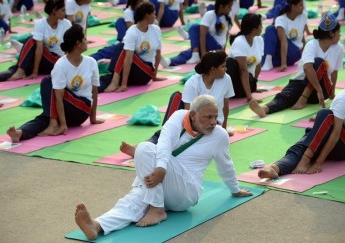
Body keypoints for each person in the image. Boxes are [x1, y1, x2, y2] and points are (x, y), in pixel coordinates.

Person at [74, 94, 252, 240]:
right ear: (193, 115)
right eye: (208, 117)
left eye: (215, 116)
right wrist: (160, 169)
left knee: (144, 149)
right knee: (133, 201)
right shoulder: (178, 117)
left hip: (186, 192)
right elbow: (165, 142)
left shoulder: (219, 135)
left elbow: (225, 165)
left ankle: (157, 208)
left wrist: (235, 189)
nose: (214, 122)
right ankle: (96, 225)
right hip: (161, 184)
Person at [121, 50, 235, 157]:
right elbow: (188, 112)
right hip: (193, 119)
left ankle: (143, 150)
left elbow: (225, 107)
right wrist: (189, 129)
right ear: (213, 69)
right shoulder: (193, 82)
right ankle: (141, 148)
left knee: (187, 142)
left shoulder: (226, 79)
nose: (226, 69)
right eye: (223, 67)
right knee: (172, 131)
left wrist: (223, 131)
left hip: (212, 122)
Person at [6, 24, 104, 142]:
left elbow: (94, 91)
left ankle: (54, 122)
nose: (86, 41)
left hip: (81, 110)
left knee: (48, 82)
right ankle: (20, 133)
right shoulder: (61, 64)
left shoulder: (91, 62)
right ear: (78, 43)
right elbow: (58, 97)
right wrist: (61, 123)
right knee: (45, 117)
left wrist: (92, 117)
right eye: (84, 39)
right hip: (66, 108)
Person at [250, 12, 343, 118]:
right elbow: (307, 68)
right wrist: (318, 90)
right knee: (287, 95)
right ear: (331, 34)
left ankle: (303, 98)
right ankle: (264, 109)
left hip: (322, 90)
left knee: (318, 62)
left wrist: (332, 92)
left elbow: (335, 72)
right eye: (338, 33)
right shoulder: (312, 45)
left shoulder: (338, 48)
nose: (340, 35)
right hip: (306, 84)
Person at [258, 85, 345, 178]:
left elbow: (335, 134)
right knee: (304, 145)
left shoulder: (343, 100)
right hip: (332, 140)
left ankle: (306, 158)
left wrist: (318, 163)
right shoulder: (344, 99)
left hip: (343, 147)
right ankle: (276, 168)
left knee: (325, 115)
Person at [0, 0, 71, 82]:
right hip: (43, 61)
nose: (65, 13)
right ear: (54, 11)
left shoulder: (66, 24)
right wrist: (34, 70)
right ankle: (20, 70)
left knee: (32, 40)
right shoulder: (40, 23)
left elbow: (70, 47)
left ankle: (20, 71)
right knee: (16, 69)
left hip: (56, 61)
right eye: (63, 10)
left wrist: (35, 72)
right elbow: (39, 49)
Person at [98, 2, 162, 93]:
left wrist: (154, 74)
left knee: (122, 47)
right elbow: (128, 60)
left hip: (146, 72)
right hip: (134, 72)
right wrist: (123, 83)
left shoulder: (156, 29)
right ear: (147, 15)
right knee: (106, 79)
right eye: (154, 14)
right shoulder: (133, 31)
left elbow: (158, 54)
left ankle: (115, 81)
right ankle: (92, 88)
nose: (155, 16)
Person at [161, 0, 233, 67]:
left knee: (194, 27)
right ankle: (170, 61)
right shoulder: (209, 15)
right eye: (229, 7)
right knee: (189, 52)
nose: (230, 9)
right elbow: (202, 35)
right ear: (221, 7)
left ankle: (193, 48)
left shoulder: (229, 16)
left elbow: (225, 34)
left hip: (216, 46)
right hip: (209, 44)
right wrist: (203, 53)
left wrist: (222, 51)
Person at [261, 0, 307, 72]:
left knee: (270, 29)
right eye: (301, 5)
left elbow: (300, 36)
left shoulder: (303, 15)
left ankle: (268, 59)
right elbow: (283, 42)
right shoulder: (281, 19)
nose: (303, 7)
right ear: (293, 7)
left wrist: (284, 64)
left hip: (294, 52)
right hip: (285, 53)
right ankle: (268, 60)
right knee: (259, 60)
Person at [226, 13, 263, 102]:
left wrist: (254, 85)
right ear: (254, 30)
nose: (262, 27)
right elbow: (243, 70)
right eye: (261, 25)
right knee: (229, 62)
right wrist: (249, 97)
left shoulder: (259, 40)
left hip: (247, 83)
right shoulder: (239, 42)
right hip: (234, 83)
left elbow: (258, 64)